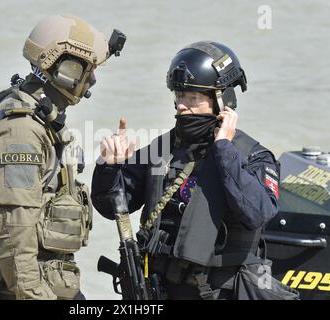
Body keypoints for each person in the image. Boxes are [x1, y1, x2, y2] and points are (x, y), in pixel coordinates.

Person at [0, 14, 125, 300]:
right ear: (67, 69)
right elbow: (14, 231)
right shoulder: (21, 131)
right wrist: (34, 295)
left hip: (39, 277)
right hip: (19, 287)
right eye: (87, 70)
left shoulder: (37, 113)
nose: (92, 79)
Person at [91, 41, 280, 299]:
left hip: (219, 291)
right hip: (159, 290)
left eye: (193, 98)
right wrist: (109, 168)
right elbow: (111, 206)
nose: (182, 105)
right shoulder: (162, 148)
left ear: (223, 102)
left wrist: (224, 148)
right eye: (179, 96)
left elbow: (258, 212)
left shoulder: (254, 156)